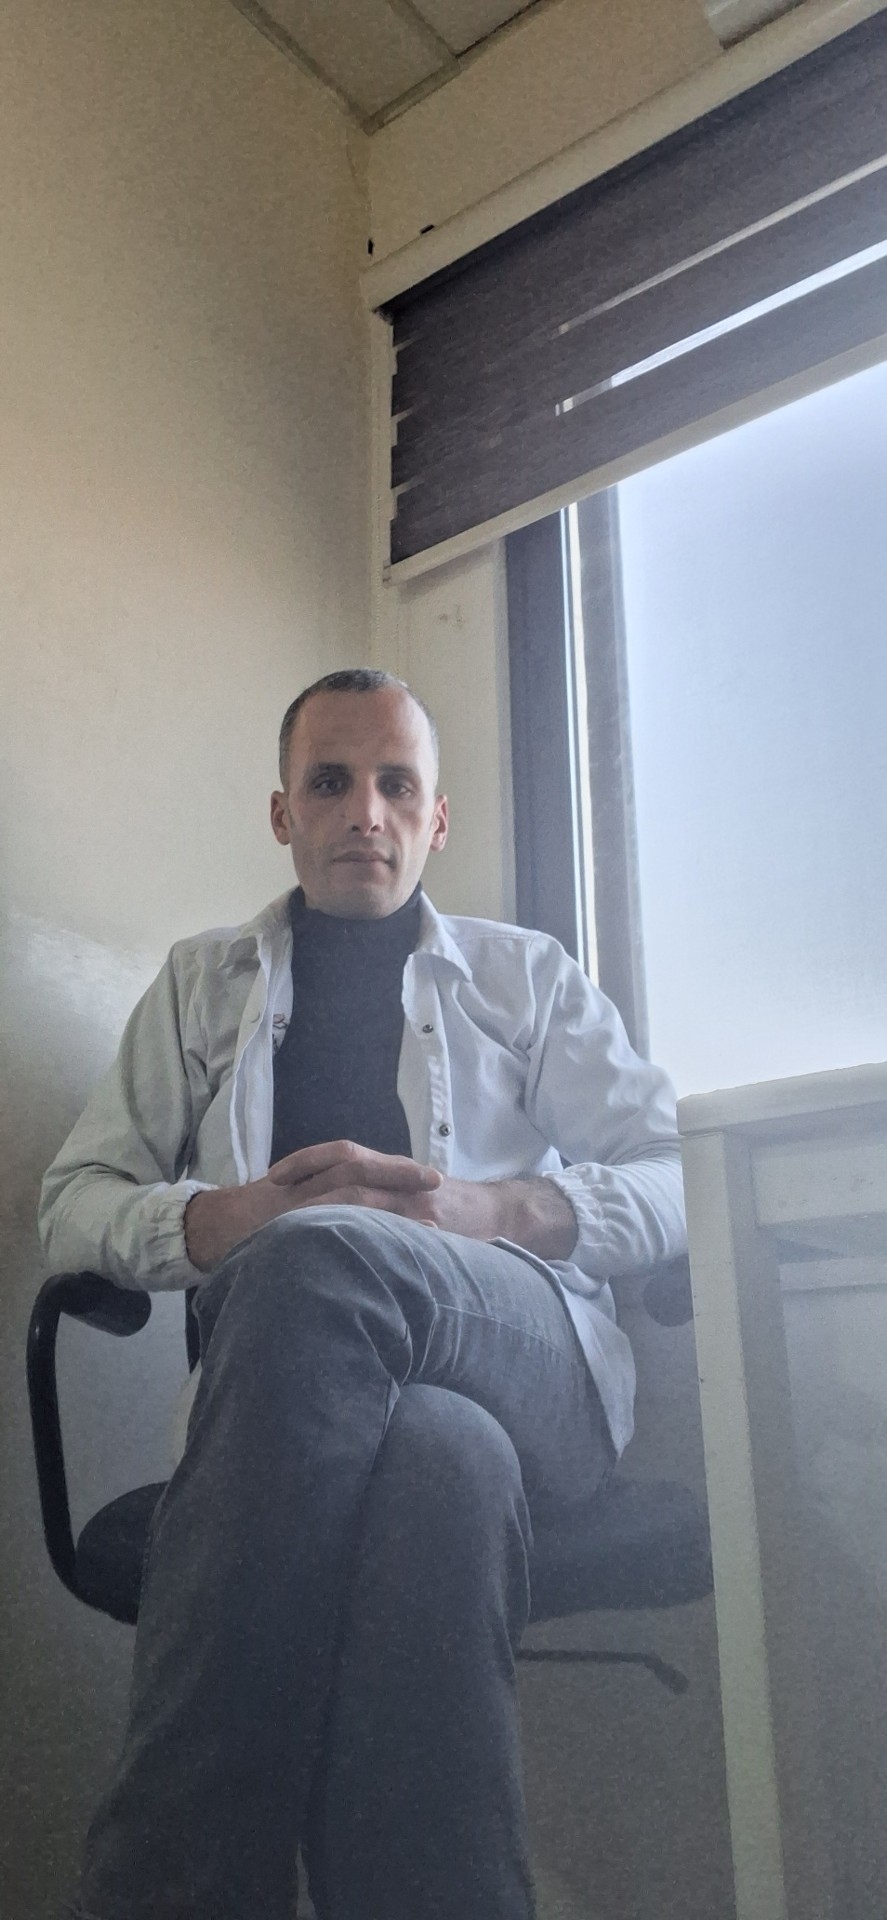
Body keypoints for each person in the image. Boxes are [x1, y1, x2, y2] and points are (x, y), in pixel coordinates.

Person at [39, 667, 686, 1920]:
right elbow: (74, 1200)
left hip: (526, 1356)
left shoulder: (525, 975)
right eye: (330, 783)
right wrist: (220, 1219)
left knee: (321, 1256)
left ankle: (160, 1888)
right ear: (282, 812)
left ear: (436, 818)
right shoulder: (199, 984)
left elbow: (677, 1174)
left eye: (396, 785)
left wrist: (495, 1212)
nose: (364, 814)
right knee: (439, 1463)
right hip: (324, 1411)